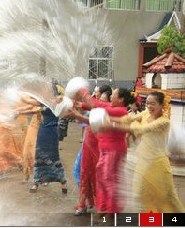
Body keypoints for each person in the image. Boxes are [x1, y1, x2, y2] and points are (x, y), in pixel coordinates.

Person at [104, 91, 185, 213]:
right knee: (141, 195)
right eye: (147, 103)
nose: (149, 107)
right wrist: (107, 118)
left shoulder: (164, 122)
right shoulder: (146, 113)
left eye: (153, 104)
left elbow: (142, 129)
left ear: (161, 105)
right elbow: (128, 118)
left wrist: (111, 125)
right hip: (143, 162)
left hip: (158, 165)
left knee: (167, 198)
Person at [68, 87, 135, 219]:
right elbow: (97, 106)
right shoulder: (111, 107)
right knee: (102, 179)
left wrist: (82, 91)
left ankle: (112, 211)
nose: (111, 98)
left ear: (121, 99)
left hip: (114, 150)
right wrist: (78, 105)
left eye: (114, 95)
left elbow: (98, 106)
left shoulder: (120, 111)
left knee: (109, 180)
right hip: (105, 149)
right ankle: (104, 207)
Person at [70, 85, 111, 216]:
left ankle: (102, 205)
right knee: (84, 174)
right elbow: (83, 105)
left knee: (99, 176)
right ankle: (83, 204)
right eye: (98, 96)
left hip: (100, 147)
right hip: (88, 145)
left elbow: (88, 118)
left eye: (102, 98)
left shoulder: (108, 111)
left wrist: (81, 93)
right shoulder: (96, 106)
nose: (98, 99)